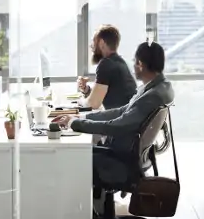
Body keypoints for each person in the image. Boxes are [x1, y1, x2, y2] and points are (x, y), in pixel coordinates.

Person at [55, 41, 174, 188]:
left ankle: (79, 208)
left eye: (135, 62)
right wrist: (82, 118)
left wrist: (75, 124)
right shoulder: (160, 87)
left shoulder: (152, 96)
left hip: (122, 160)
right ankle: (97, 205)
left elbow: (117, 126)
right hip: (131, 155)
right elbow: (121, 111)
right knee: (80, 148)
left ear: (140, 64)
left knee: (68, 154)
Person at [76, 24, 137, 110]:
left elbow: (93, 104)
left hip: (120, 120)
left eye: (94, 41)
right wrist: (86, 90)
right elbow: (99, 97)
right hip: (126, 117)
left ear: (101, 43)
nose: (91, 46)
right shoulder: (121, 63)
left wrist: (80, 101)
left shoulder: (106, 64)